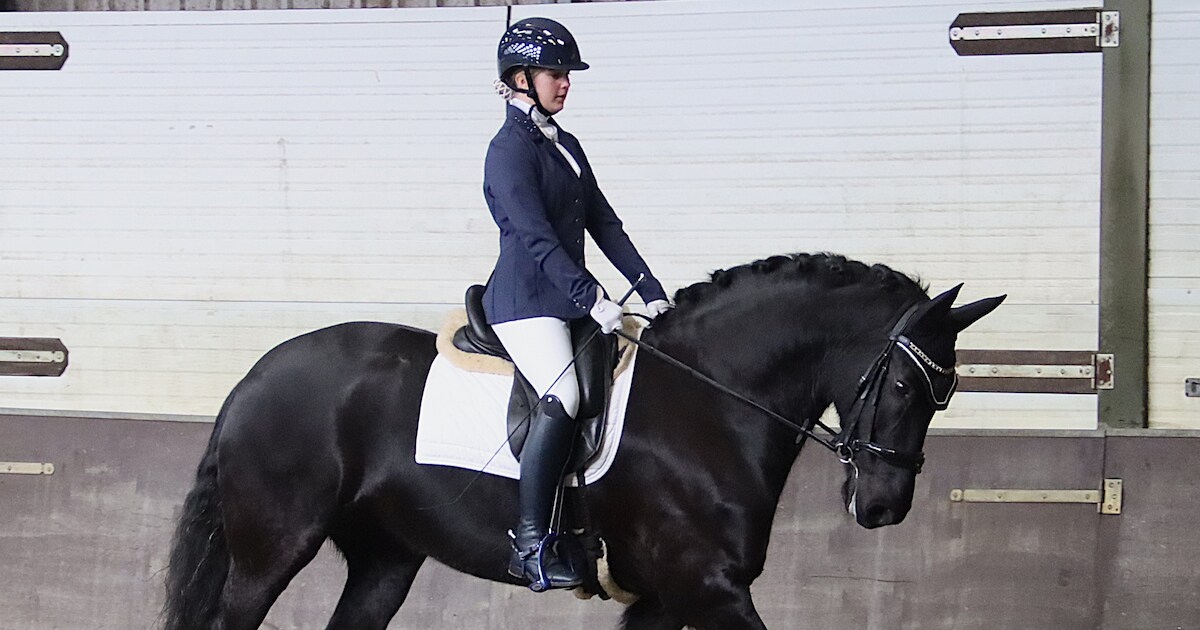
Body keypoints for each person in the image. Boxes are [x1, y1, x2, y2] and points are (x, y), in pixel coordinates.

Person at [482, 17, 671, 592]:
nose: (565, 83)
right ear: (520, 78)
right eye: (554, 73)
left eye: (567, 75)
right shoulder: (507, 151)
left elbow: (603, 222)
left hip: (566, 298)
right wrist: (590, 295)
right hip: (525, 302)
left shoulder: (565, 144)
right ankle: (530, 544)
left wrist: (650, 287)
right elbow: (536, 238)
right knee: (562, 396)